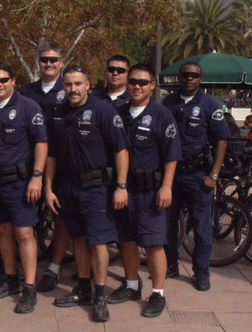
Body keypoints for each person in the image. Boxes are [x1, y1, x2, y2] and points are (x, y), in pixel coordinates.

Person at [45, 65, 129, 322]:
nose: (73, 89)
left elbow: (121, 150)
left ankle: (100, 295)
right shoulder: (58, 113)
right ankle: (83, 290)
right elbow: (52, 155)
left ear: (88, 84)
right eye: (68, 85)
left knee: (97, 242)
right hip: (67, 188)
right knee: (78, 241)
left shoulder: (103, 111)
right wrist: (48, 188)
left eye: (78, 84)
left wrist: (121, 186)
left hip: (96, 189)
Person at [0, 62, 48, 314]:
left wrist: (37, 176)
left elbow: (41, 143)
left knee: (24, 234)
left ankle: (30, 287)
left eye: (3, 80)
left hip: (20, 183)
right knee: (2, 231)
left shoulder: (28, 108)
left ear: (13, 80)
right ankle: (11, 280)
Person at [108, 64, 181, 318]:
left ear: (152, 85)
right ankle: (130, 284)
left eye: (142, 82)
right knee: (126, 241)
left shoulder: (162, 115)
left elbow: (171, 156)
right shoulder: (118, 113)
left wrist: (167, 187)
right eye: (133, 82)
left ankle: (158, 293)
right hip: (124, 190)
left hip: (151, 193)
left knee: (153, 245)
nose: (136, 86)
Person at [163, 62, 229, 291]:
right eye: (185, 75)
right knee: (168, 224)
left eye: (194, 75)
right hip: (171, 174)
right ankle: (170, 264)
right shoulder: (168, 102)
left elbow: (222, 139)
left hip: (198, 175)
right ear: (179, 77)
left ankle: (201, 271)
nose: (189, 78)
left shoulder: (211, 104)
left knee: (201, 227)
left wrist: (214, 174)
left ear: (200, 79)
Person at [19, 41, 69, 292]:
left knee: (60, 217)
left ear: (61, 62)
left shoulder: (70, 88)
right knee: (23, 215)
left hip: (62, 163)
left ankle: (53, 268)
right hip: (30, 162)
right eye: (44, 60)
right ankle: (19, 265)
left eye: (53, 60)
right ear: (38, 62)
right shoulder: (26, 91)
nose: (48, 64)